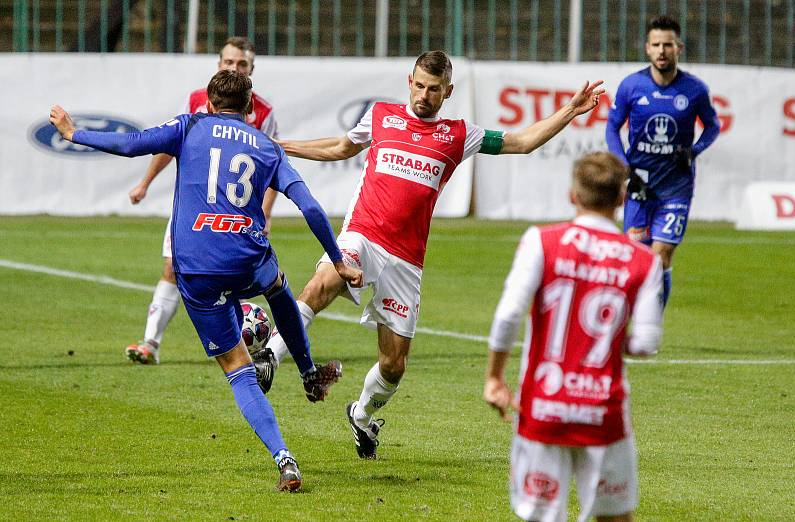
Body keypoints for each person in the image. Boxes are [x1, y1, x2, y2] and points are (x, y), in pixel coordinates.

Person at [262, 50, 605, 460]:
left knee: (393, 366)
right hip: (363, 235)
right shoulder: (382, 116)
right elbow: (340, 146)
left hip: (406, 260)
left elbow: (521, 142)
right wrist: (282, 147)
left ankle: (361, 414)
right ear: (410, 81)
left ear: (448, 91)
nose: (424, 95)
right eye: (420, 86)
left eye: (434, 89)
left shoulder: (459, 134)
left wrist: (569, 111)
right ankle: (270, 357)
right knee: (324, 283)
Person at [49, 70, 363, 491]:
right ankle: (308, 373)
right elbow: (309, 207)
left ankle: (284, 459)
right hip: (247, 258)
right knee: (278, 287)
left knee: (238, 368)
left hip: (195, 267)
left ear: (210, 105)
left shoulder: (189, 126)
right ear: (250, 108)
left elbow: (128, 144)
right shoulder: (268, 147)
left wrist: (74, 132)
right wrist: (339, 261)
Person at [484, 152, 663, 521]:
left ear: (573, 195)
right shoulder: (645, 260)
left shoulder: (542, 241)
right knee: (614, 517)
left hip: (544, 405)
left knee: (541, 515)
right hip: (603, 412)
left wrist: (495, 377)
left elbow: (507, 315)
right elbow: (646, 344)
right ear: (621, 199)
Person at [126, 36, 280, 365]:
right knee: (172, 267)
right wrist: (145, 183)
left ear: (252, 68)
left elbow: (272, 169)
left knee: (245, 276)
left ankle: (267, 335)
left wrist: (265, 214)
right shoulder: (196, 101)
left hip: (237, 213)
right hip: (194, 207)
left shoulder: (263, 113)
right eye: (229, 62)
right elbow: (169, 144)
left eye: (241, 64)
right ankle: (150, 342)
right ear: (218, 64)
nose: (234, 68)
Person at [605, 15, 720, 309]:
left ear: (679, 47)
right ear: (647, 48)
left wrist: (694, 151)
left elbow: (713, 126)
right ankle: (628, 317)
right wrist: (624, 167)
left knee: (661, 255)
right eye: (656, 45)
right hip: (639, 186)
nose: (661, 51)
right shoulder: (632, 86)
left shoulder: (695, 90)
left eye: (667, 45)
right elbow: (612, 127)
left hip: (676, 187)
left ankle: (651, 324)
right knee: (637, 259)